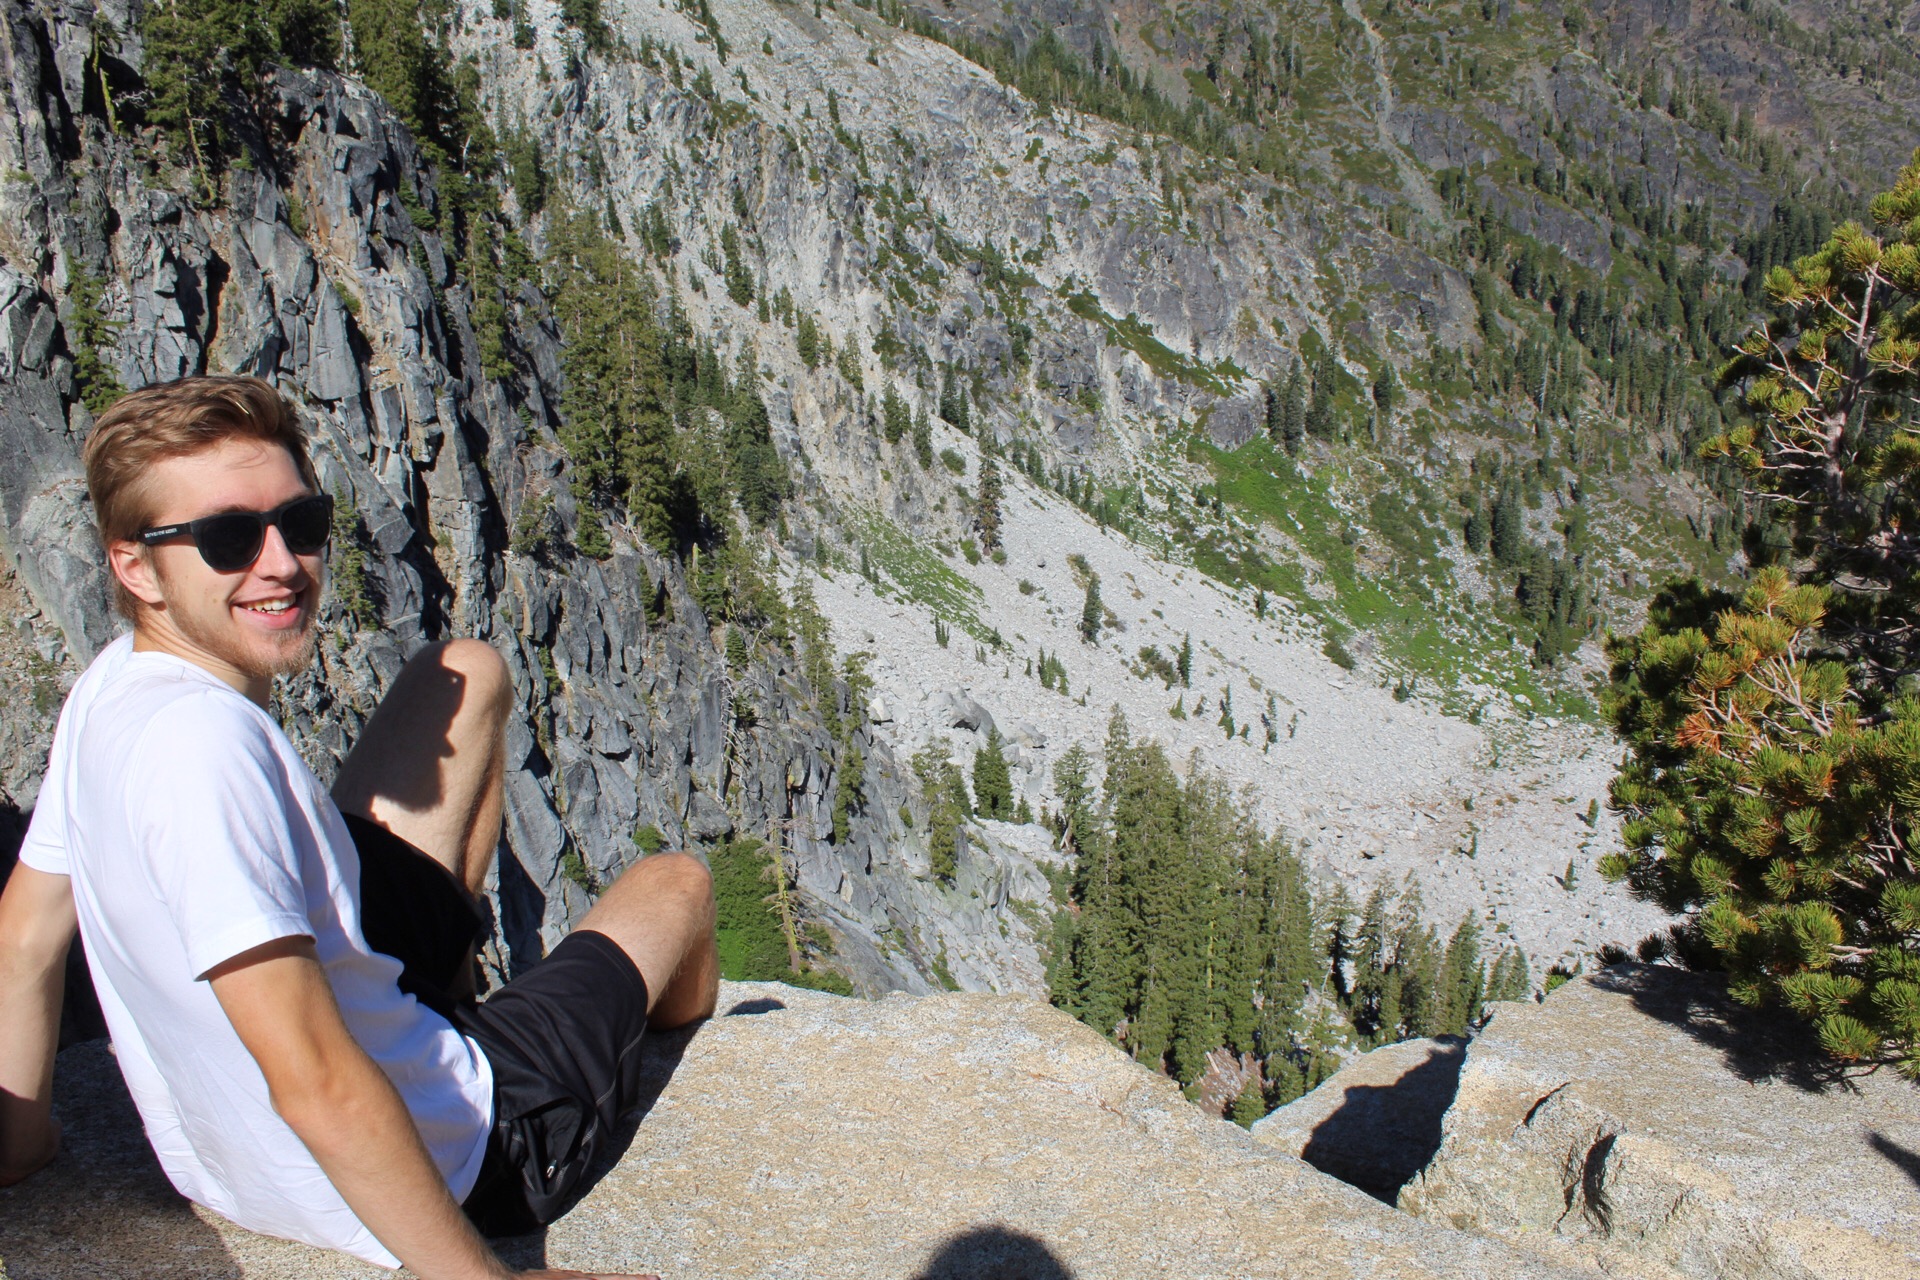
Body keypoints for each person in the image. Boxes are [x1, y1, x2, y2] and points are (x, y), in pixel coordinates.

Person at [0, 375, 719, 1279]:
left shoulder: (114, 684)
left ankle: (444, 998)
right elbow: (315, 1078)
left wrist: (19, 1143)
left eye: (298, 524)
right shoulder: (204, 755)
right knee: (678, 888)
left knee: (465, 672)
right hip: (460, 1148)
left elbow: (26, 934)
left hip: (269, 1110)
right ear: (134, 566)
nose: (279, 564)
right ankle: (579, 1034)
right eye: (226, 539)